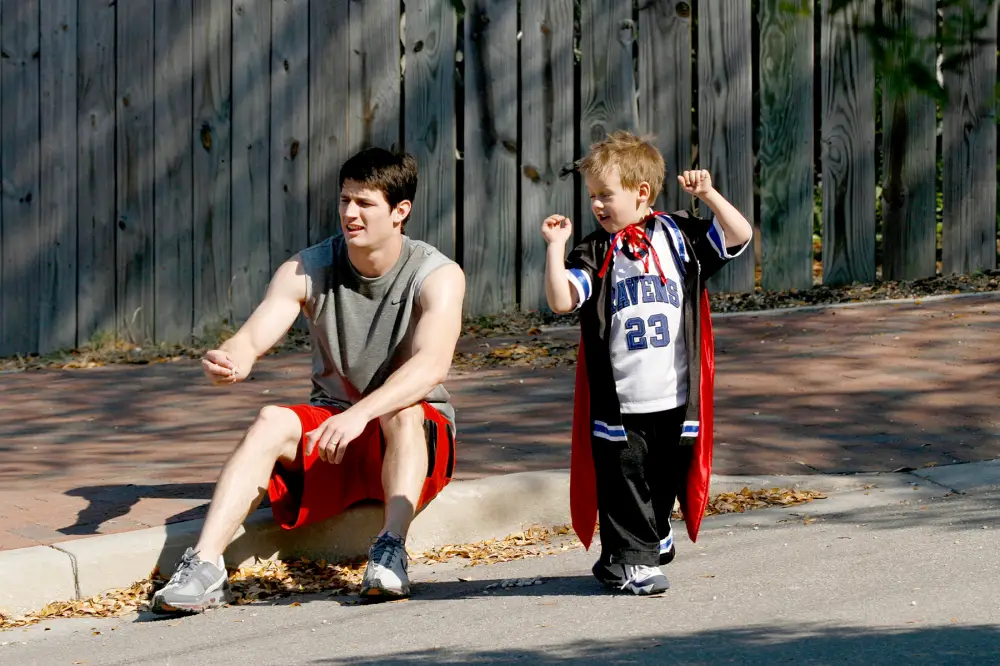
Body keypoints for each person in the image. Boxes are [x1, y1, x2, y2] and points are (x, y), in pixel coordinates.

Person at [152, 147, 466, 612]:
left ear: (400, 211)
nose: (350, 214)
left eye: (365, 203)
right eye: (345, 200)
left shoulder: (436, 274)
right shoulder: (307, 268)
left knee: (402, 412)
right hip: (335, 431)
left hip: (410, 437)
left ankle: (389, 552)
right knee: (270, 420)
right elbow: (252, 337)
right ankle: (205, 565)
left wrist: (361, 414)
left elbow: (431, 365)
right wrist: (230, 360)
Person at [541, 130, 752, 595]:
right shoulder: (595, 251)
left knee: (663, 479)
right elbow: (561, 300)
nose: (596, 204)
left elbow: (739, 235)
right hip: (620, 402)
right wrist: (555, 248)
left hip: (675, 396)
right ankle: (636, 563)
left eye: (605, 194)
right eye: (592, 196)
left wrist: (708, 195)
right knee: (622, 482)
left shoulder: (677, 236)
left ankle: (634, 549)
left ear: (641, 192)